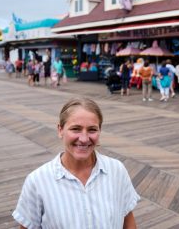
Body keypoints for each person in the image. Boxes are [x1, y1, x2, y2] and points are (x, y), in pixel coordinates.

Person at [12, 98, 139, 229]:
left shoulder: (117, 170)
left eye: (92, 130)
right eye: (76, 129)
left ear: (99, 131)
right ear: (60, 130)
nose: (84, 139)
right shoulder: (37, 181)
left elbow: (127, 220)